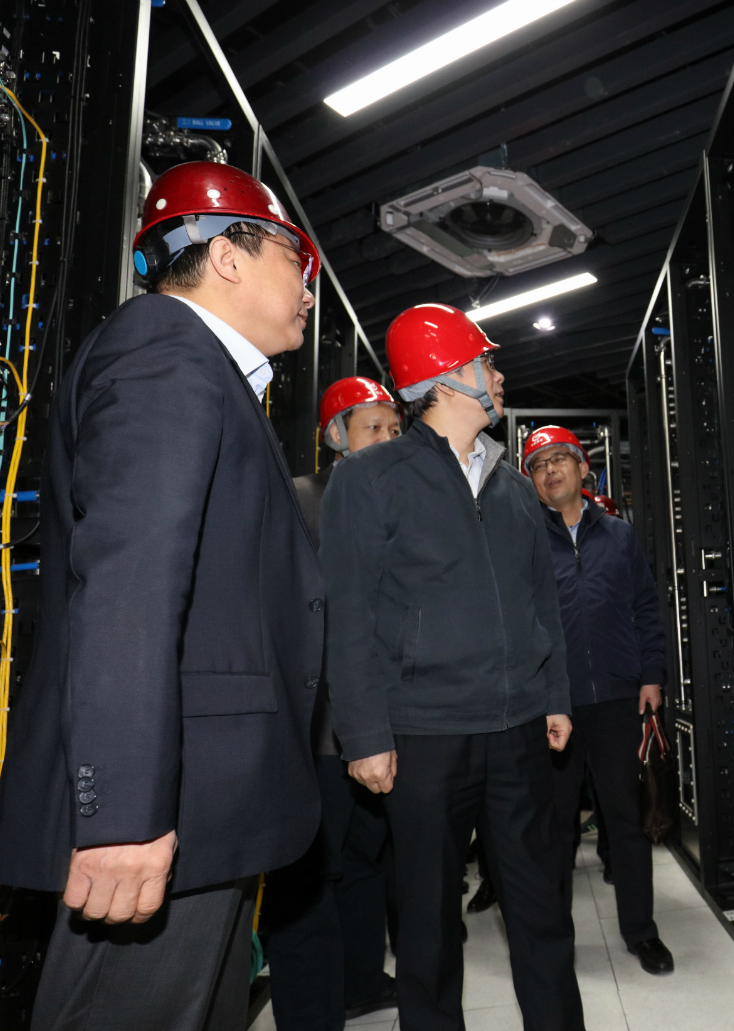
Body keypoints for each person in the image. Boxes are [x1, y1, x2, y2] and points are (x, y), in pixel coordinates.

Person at [0, 161, 324, 1031]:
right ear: (229, 257)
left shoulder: (205, 371)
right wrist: (125, 817)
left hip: (204, 806)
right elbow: (131, 579)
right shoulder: (165, 347)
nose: (308, 288)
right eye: (295, 260)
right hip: (162, 814)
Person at [322, 303, 584, 1031]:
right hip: (423, 735)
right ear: (445, 377)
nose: (498, 376)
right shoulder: (369, 478)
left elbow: (542, 605)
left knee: (542, 910)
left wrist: (555, 694)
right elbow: (349, 615)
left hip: (518, 728)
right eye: (486, 363)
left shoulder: (513, 488)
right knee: (429, 924)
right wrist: (364, 734)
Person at [264, 377, 402, 1029]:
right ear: (335, 436)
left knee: (366, 861)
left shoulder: (403, 507)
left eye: (394, 428)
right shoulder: (298, 500)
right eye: (372, 427)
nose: (387, 439)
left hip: (386, 724)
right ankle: (310, 1014)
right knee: (308, 876)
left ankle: (362, 980)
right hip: (319, 730)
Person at [523, 426, 674, 976]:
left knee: (625, 821)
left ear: (584, 469)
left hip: (616, 699)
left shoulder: (619, 535)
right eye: (539, 465)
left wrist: (651, 675)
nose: (550, 471)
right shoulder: (524, 539)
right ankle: (553, 942)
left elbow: (646, 609)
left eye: (560, 459)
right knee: (555, 829)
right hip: (553, 704)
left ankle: (642, 933)